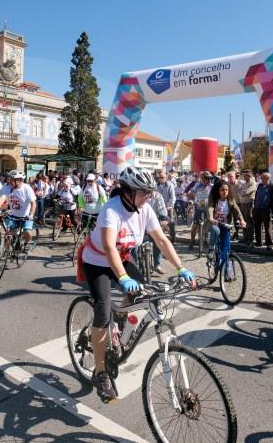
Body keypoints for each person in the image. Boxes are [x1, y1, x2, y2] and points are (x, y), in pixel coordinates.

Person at [81, 167, 195, 403]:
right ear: (127, 192)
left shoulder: (144, 209)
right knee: (103, 309)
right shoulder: (111, 209)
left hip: (121, 259)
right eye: (144, 193)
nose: (149, 197)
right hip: (97, 262)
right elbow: (110, 246)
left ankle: (120, 321)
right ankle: (100, 373)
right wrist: (123, 278)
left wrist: (181, 268)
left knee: (142, 294)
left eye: (150, 193)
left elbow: (161, 240)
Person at [0, 170, 37, 246]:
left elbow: (33, 203)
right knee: (8, 234)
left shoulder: (26, 188)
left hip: (26, 216)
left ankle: (26, 243)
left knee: (27, 232)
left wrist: (31, 215)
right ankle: (5, 253)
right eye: (9, 179)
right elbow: (3, 198)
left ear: (19, 180)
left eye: (11, 179)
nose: (9, 181)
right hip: (13, 215)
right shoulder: (9, 187)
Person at [206, 179, 245, 251]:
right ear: (218, 191)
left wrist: (242, 220)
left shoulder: (230, 200)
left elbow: (237, 210)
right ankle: (211, 249)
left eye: (226, 190)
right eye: (222, 190)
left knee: (226, 245)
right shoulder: (214, 200)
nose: (225, 192)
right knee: (216, 231)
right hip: (215, 223)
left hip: (226, 224)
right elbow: (210, 208)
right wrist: (211, 218)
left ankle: (225, 259)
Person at [188, 171, 212, 249]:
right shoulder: (197, 185)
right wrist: (192, 199)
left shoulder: (212, 186)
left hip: (208, 209)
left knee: (208, 226)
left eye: (209, 179)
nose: (208, 180)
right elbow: (190, 194)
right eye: (206, 179)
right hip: (198, 208)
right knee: (194, 227)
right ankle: (192, 241)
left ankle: (206, 239)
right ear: (202, 179)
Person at [252, 172, 273, 248]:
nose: (261, 179)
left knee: (267, 227)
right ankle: (259, 242)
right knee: (257, 226)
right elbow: (256, 196)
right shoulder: (260, 185)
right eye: (261, 178)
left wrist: (272, 210)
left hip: (266, 209)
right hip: (257, 208)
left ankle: (269, 243)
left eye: (262, 178)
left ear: (267, 178)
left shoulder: (272, 187)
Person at [236, 169, 257, 244]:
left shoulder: (253, 183)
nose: (244, 177)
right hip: (243, 203)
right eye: (244, 175)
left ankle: (250, 239)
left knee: (249, 221)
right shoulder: (244, 184)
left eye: (246, 175)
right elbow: (239, 192)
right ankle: (245, 237)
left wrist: (242, 192)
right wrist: (242, 192)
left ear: (250, 175)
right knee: (243, 221)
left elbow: (247, 192)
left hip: (249, 203)